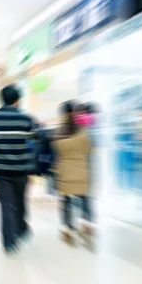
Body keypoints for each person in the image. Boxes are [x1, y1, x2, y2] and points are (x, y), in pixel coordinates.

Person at [0, 84, 37, 254]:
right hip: (21, 168)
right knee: (20, 201)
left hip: (2, 170)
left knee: (5, 204)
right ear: (18, 100)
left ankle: (8, 243)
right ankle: (21, 229)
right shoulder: (26, 119)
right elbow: (34, 137)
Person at [53, 101, 93, 245]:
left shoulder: (58, 133)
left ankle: (68, 230)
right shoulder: (83, 131)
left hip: (65, 171)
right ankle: (87, 225)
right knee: (85, 199)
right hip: (81, 170)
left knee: (66, 202)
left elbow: (56, 153)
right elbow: (89, 150)